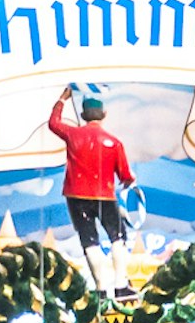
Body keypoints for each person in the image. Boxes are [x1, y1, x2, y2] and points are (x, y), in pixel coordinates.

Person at [46, 86, 137, 271]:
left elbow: (53, 123)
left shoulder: (73, 134)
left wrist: (62, 100)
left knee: (89, 241)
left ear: (83, 114)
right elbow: (125, 176)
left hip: (76, 196)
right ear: (104, 114)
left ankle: (101, 288)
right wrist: (130, 180)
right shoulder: (114, 142)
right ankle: (120, 285)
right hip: (104, 197)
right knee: (118, 236)